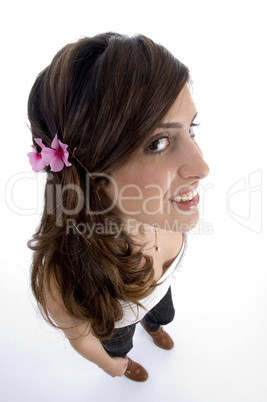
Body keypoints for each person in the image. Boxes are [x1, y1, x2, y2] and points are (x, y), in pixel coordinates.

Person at [27, 32, 209, 382]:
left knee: (161, 312)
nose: (201, 168)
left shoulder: (162, 210)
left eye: (192, 129)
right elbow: (82, 339)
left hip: (157, 295)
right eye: (158, 142)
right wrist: (111, 364)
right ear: (91, 169)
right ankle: (127, 356)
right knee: (119, 342)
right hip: (117, 323)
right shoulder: (66, 280)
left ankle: (154, 328)